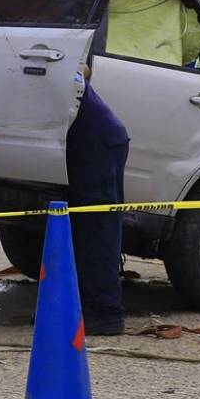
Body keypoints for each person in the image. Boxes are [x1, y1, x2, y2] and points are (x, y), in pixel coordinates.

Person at [67, 63, 130, 336]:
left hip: (100, 144)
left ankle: (105, 314)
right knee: (84, 229)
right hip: (91, 142)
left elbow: (84, 69)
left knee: (98, 231)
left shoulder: (55, 63)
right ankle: (80, 308)